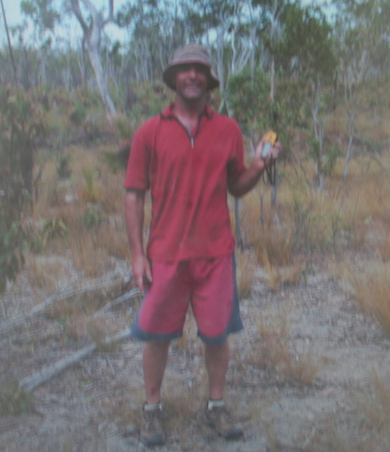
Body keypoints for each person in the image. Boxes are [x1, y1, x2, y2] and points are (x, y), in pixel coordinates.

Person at [123, 43, 281, 447]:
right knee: (156, 335)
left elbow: (237, 186)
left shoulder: (227, 130)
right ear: (174, 78)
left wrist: (259, 167)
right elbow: (134, 194)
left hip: (215, 254)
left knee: (216, 335)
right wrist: (138, 253)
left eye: (199, 70)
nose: (192, 75)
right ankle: (152, 410)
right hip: (165, 255)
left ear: (209, 80)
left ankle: (216, 405)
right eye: (185, 69)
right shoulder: (149, 132)